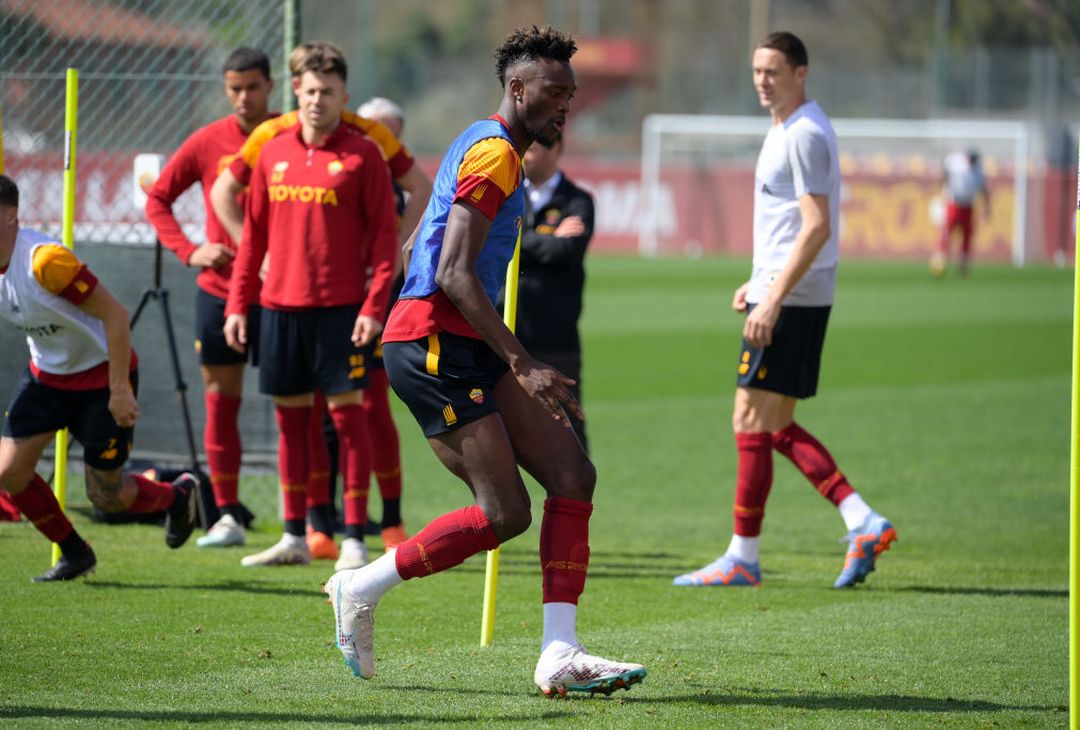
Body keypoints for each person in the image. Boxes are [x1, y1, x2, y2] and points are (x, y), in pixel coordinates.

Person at [323, 25, 646, 698]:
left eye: (572, 95)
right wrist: (522, 362)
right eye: (555, 93)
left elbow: (420, 246)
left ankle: (561, 653)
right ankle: (360, 587)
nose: (565, 107)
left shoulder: (480, 140)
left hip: (448, 340)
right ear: (518, 88)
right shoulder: (497, 155)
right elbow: (451, 272)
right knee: (504, 513)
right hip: (437, 344)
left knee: (572, 473)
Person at [673, 32, 896, 591]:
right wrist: (759, 279)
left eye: (773, 71)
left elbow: (817, 226)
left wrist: (771, 299)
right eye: (756, 70)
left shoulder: (805, 134)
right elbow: (789, 225)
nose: (762, 81)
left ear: (801, 73)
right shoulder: (787, 129)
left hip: (792, 301)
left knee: (752, 420)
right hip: (785, 291)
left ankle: (746, 556)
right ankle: (858, 521)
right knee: (770, 424)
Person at [211, 53, 432, 568]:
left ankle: (353, 536)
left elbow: (383, 244)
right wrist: (239, 303)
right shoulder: (272, 151)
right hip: (279, 310)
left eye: (327, 92)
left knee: (349, 422)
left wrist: (375, 307)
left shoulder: (364, 155)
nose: (317, 101)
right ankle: (294, 535)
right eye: (309, 91)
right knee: (291, 425)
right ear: (295, 92)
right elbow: (253, 241)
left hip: (342, 312)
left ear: (343, 98)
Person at [0, 175, 198, 581]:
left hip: (101, 379)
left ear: (11, 216)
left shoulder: (45, 262)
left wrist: (119, 389)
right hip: (46, 378)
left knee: (107, 496)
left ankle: (179, 497)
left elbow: (115, 315)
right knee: (9, 472)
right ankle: (74, 553)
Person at [144, 47, 276, 549]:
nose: (244, 98)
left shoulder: (290, 133)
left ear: (269, 87)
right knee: (221, 404)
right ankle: (226, 518)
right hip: (220, 295)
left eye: (253, 87)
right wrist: (190, 250)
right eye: (234, 88)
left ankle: (314, 523)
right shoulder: (207, 141)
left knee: (304, 408)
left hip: (284, 296)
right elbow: (158, 199)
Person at [498, 134, 593, 450]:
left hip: (556, 338)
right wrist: (544, 239)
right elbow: (496, 241)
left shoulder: (578, 201)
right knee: (501, 436)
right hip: (506, 336)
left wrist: (520, 239)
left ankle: (573, 500)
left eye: (533, 148)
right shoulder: (507, 195)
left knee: (568, 438)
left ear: (555, 149)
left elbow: (566, 252)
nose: (524, 155)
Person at [353, 96, 411, 551]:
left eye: (388, 132)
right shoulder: (346, 171)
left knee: (373, 408)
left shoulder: (407, 192)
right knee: (328, 416)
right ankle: (330, 520)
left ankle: (391, 518)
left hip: (385, 302)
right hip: (332, 302)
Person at [930, 148, 991, 278]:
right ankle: (940, 261)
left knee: (967, 235)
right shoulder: (955, 163)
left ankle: (964, 264)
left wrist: (987, 207)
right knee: (946, 233)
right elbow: (944, 173)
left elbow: (984, 189)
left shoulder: (979, 171)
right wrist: (942, 189)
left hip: (968, 206)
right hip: (953, 203)